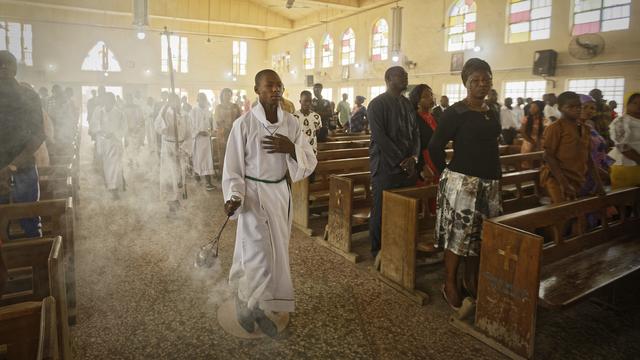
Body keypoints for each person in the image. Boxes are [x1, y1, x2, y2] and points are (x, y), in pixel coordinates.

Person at [222, 69, 316, 337]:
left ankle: (260, 305)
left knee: (274, 253)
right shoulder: (244, 124)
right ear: (257, 90)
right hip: (252, 195)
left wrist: (291, 149)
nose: (275, 90)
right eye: (269, 86)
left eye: (279, 86)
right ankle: (245, 304)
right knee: (255, 254)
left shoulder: (291, 123)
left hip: (279, 194)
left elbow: (309, 158)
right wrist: (234, 196)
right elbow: (233, 169)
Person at [428, 58, 502, 309]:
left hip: (489, 182)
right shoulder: (455, 112)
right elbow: (435, 146)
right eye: (476, 81)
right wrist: (446, 173)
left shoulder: (491, 112)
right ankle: (450, 282)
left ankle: (471, 280)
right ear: (466, 84)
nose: (482, 85)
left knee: (480, 236)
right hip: (463, 183)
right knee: (458, 236)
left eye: (486, 80)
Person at [367, 66, 420, 260]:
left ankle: (397, 246)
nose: (406, 77)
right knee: (381, 209)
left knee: (403, 208)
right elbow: (380, 137)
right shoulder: (377, 104)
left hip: (407, 167)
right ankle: (377, 250)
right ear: (389, 79)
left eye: (406, 75)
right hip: (385, 166)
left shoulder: (406, 104)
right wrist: (400, 160)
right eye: (401, 75)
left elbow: (415, 133)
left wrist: (414, 157)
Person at [0, 50, 45, 238]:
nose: (2, 70)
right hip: (20, 164)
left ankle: (37, 258)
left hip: (23, 166)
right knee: (28, 220)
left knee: (29, 219)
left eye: (5, 66)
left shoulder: (28, 96)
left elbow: (38, 134)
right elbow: (38, 135)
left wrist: (12, 165)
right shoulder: (28, 94)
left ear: (14, 69)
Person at [540, 91, 604, 205]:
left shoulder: (585, 128)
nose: (577, 109)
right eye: (571, 107)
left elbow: (588, 157)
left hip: (577, 178)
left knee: (576, 215)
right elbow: (548, 155)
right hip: (558, 178)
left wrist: (598, 182)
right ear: (560, 108)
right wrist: (564, 183)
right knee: (564, 214)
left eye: (579, 106)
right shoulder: (555, 127)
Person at [155, 93, 190, 216]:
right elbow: (160, 129)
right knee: (171, 176)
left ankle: (177, 201)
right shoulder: (165, 113)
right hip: (169, 148)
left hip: (181, 148)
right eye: (171, 101)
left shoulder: (185, 115)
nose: (174, 103)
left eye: (176, 101)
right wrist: (164, 113)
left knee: (180, 177)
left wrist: (184, 148)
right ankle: (172, 206)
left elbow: (189, 135)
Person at [90, 92, 127, 200]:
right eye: (105, 100)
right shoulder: (99, 112)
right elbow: (93, 125)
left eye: (109, 100)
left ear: (113, 101)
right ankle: (113, 185)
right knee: (106, 166)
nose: (106, 102)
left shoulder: (120, 113)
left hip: (115, 142)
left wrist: (114, 134)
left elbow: (124, 128)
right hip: (103, 142)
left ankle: (114, 189)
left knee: (114, 165)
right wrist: (99, 130)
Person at [578, 94, 613, 196]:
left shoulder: (589, 125)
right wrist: (599, 172)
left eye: (593, 108)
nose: (590, 110)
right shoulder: (573, 127)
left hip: (597, 170)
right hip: (585, 172)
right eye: (585, 107)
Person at [408, 84, 439, 187]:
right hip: (423, 160)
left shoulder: (433, 117)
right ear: (417, 101)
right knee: (425, 192)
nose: (431, 98)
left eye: (431, 94)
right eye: (426, 96)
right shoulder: (414, 119)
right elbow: (413, 144)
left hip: (435, 158)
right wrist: (422, 166)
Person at [608, 93, 640, 188]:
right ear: (627, 104)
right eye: (635, 103)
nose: (639, 106)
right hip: (626, 165)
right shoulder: (621, 121)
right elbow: (622, 146)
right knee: (624, 199)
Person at [190, 93, 216, 191]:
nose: (203, 101)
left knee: (207, 161)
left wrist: (211, 131)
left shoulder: (208, 112)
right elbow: (190, 126)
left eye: (204, 99)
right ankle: (199, 178)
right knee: (199, 160)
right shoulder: (193, 111)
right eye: (201, 99)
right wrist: (199, 132)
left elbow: (212, 125)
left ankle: (208, 182)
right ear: (198, 100)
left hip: (207, 140)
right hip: (198, 140)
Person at [214, 88, 242, 172]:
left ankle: (234, 172)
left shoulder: (235, 106)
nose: (227, 96)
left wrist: (234, 128)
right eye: (225, 94)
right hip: (223, 134)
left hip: (234, 133)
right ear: (222, 96)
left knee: (234, 153)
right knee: (223, 153)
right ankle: (223, 173)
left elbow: (240, 119)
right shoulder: (218, 107)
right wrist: (227, 128)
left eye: (229, 94)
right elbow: (217, 120)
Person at [293, 90, 322, 155]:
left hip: (312, 149)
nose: (308, 103)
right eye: (305, 101)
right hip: (299, 150)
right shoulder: (294, 117)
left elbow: (317, 132)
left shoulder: (316, 116)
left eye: (310, 101)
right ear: (300, 101)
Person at [520, 100, 546, 169]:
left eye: (534, 107)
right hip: (528, 141)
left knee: (539, 163)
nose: (531, 109)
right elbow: (523, 133)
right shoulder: (526, 118)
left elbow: (545, 133)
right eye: (531, 107)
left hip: (540, 142)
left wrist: (538, 142)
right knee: (527, 162)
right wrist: (533, 142)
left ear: (540, 109)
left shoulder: (544, 120)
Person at [122, 93, 145, 167]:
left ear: (132, 99)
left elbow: (141, 119)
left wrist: (138, 127)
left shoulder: (137, 107)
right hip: (127, 130)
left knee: (136, 145)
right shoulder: (124, 108)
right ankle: (130, 160)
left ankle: (137, 160)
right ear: (126, 99)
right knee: (128, 145)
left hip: (136, 129)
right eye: (127, 99)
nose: (128, 100)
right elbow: (122, 120)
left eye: (130, 98)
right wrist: (125, 129)